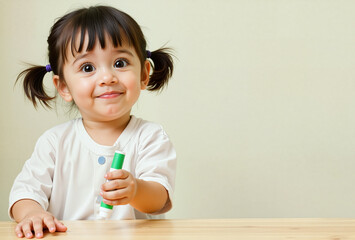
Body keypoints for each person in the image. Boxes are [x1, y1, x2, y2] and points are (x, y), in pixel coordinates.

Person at [9, 5, 176, 239]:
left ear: (144, 74)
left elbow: (159, 198)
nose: (107, 77)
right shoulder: (54, 142)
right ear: (64, 87)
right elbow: (24, 193)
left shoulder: (150, 136)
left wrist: (136, 190)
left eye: (120, 63)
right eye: (88, 68)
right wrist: (32, 213)